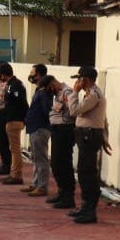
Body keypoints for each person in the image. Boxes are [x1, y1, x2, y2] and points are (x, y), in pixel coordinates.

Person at [68, 67, 110, 224]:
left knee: (87, 172)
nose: (77, 82)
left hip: (89, 135)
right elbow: (104, 119)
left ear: (85, 80)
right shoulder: (93, 94)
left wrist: (74, 93)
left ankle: (90, 210)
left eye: (79, 79)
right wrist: (105, 138)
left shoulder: (93, 95)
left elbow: (74, 110)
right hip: (87, 134)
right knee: (84, 171)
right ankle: (85, 207)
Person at [38, 74, 77, 209]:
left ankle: (68, 196)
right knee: (55, 163)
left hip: (65, 130)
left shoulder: (67, 92)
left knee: (63, 163)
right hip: (57, 129)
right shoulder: (58, 93)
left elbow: (72, 111)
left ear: (52, 85)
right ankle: (61, 191)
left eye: (48, 89)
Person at [21, 64, 52, 198]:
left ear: (39, 75)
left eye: (33, 73)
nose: (31, 75)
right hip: (34, 127)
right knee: (35, 158)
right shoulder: (39, 89)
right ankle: (35, 183)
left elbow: (46, 110)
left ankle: (42, 186)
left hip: (40, 128)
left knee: (41, 159)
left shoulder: (45, 91)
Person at [0, 62, 28, 185]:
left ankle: (16, 175)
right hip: (16, 119)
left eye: (0, 75)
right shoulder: (15, 84)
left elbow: (16, 102)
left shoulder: (13, 86)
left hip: (14, 120)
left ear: (4, 75)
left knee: (15, 149)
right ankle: (14, 173)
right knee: (14, 149)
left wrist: (5, 96)